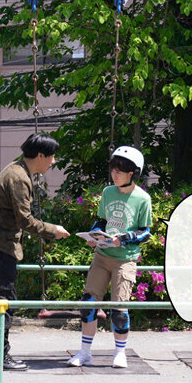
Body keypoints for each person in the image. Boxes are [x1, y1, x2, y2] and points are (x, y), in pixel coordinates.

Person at [0, 133, 70, 371]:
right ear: (40, 155)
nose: (53, 162)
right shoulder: (19, 178)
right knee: (2, 304)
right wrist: (53, 230)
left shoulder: (15, 169)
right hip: (0, 248)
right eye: (51, 157)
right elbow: (25, 220)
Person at [67, 146, 152, 369]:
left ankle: (120, 353)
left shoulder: (142, 199)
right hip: (102, 256)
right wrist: (94, 235)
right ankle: (85, 352)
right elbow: (101, 221)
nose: (114, 175)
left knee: (119, 310)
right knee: (88, 304)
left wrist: (124, 238)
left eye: (119, 171)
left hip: (125, 259)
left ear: (132, 173)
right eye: (113, 170)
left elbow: (145, 232)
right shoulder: (107, 192)